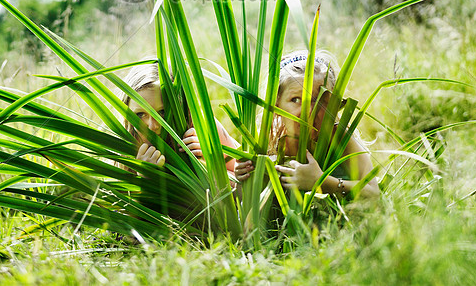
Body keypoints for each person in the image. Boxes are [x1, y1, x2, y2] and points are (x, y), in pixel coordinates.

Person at [233, 50, 379, 199]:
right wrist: (243, 176)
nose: (309, 111)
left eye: (320, 99)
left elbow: (375, 193)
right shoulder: (268, 139)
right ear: (277, 104)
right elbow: (244, 201)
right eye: (296, 100)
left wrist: (321, 182)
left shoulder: (338, 137)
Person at [122, 63, 238, 171]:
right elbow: (122, 191)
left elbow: (243, 184)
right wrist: (146, 178)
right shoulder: (125, 145)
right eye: (140, 115)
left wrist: (207, 162)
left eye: (162, 112)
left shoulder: (201, 126)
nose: (153, 126)